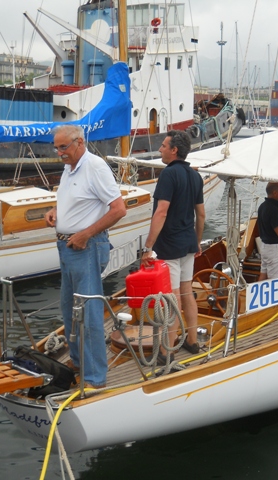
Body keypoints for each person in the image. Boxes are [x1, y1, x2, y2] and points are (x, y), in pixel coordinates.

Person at [44, 125, 127, 389]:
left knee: (89, 314)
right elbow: (78, 199)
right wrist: (56, 210)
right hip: (68, 248)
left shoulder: (95, 167)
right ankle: (79, 362)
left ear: (80, 142)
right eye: (56, 148)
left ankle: (95, 378)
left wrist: (85, 234)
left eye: (63, 147)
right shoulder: (70, 168)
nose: (59, 153)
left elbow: (118, 209)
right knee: (69, 311)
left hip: (86, 248)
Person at [140, 130, 206, 362]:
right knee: (187, 292)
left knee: (173, 297)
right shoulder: (195, 176)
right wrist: (197, 242)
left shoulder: (168, 175)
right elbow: (201, 214)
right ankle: (192, 340)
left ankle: (167, 351)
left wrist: (147, 247)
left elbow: (161, 211)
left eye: (163, 145)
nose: (160, 149)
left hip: (169, 245)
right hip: (188, 243)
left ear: (174, 150)